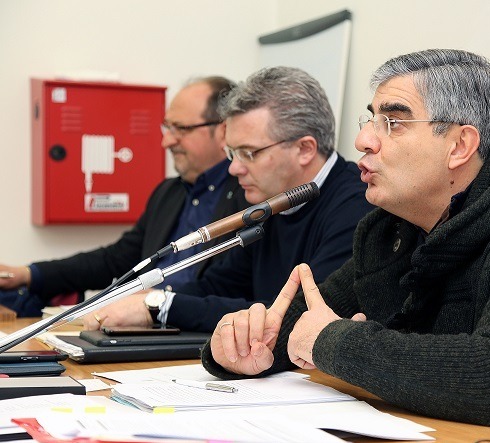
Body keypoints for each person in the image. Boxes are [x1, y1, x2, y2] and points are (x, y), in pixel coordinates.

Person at [201, 50, 490, 443]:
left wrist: (334, 342)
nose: (363, 141)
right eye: (370, 120)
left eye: (393, 122)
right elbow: (304, 325)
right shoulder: (392, 229)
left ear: (459, 145)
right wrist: (237, 346)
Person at [83, 66, 374, 333]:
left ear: (305, 149)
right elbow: (222, 284)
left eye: (248, 153)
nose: (234, 169)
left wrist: (162, 306)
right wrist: (145, 298)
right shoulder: (270, 200)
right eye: (232, 153)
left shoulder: (358, 207)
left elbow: (297, 315)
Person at [0, 76, 248, 317]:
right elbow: (115, 260)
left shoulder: (247, 196)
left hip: (195, 329)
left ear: (223, 131)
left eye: (181, 128)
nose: (166, 141)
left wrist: (156, 301)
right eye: (167, 127)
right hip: (141, 323)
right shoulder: (168, 194)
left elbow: (230, 288)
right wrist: (29, 274)